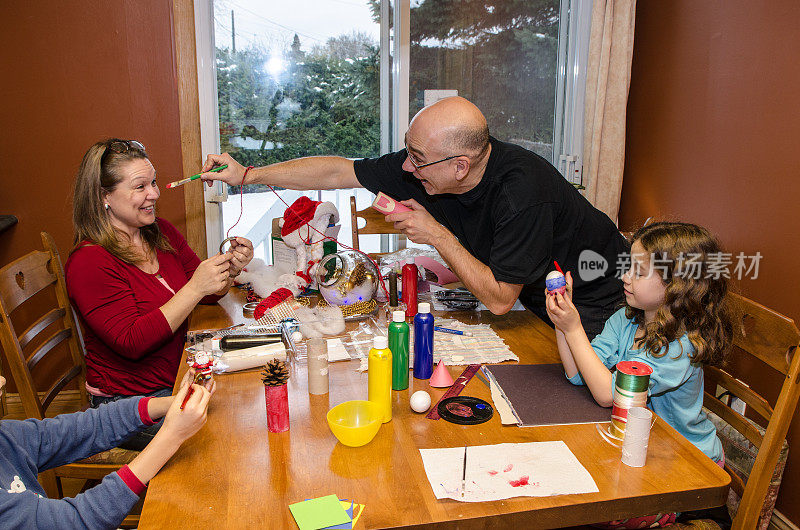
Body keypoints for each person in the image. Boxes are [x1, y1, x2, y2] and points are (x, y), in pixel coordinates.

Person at [199, 96, 628, 338]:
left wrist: (436, 234)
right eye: (408, 151)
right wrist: (249, 174)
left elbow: (499, 299)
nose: (406, 168)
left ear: (459, 166)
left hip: (600, 299)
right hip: (539, 296)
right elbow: (337, 170)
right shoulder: (425, 167)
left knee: (578, 401)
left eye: (417, 159)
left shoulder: (522, 195)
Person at [65, 138, 253, 450]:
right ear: (104, 197)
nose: (154, 193)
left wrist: (229, 270)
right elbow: (132, 342)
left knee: (249, 400)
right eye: (140, 187)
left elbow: (205, 295)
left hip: (176, 378)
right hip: (128, 406)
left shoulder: (159, 231)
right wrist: (195, 286)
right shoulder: (89, 262)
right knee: (229, 435)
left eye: (153, 182)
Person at [545, 221, 735, 527]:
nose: (625, 276)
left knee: (598, 513)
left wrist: (574, 328)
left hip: (687, 465)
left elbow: (610, 395)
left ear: (679, 283)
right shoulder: (626, 319)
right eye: (627, 266)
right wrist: (561, 321)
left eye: (638, 270)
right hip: (640, 445)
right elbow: (579, 373)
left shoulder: (680, 347)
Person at [0, 371, 213, 529]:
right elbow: (78, 521)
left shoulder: (6, 436)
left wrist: (171, 403)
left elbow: (88, 427)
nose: (2, 381)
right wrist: (171, 436)